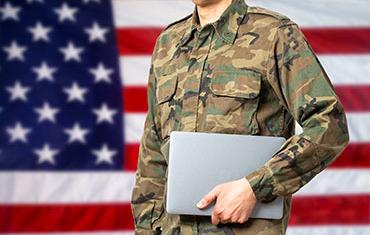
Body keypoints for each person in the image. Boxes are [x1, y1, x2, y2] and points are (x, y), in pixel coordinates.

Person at [130, 0, 350, 234]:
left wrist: (255, 186)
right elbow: (153, 149)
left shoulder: (274, 34)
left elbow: (329, 124)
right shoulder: (168, 43)